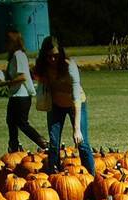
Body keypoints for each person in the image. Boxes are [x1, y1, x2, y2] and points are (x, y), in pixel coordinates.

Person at [35, 37, 94, 174]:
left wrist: (76, 129)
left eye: (55, 56)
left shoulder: (69, 66)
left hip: (76, 104)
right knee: (54, 143)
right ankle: (53, 173)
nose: (52, 60)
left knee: (82, 143)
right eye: (49, 56)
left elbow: (76, 98)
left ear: (60, 54)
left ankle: (92, 177)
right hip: (56, 106)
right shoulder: (44, 68)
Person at [4, 30, 46, 154]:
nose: (5, 44)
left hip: (22, 95)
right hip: (15, 94)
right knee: (11, 121)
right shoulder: (13, 56)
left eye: (7, 41)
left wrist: (5, 83)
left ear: (14, 42)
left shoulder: (19, 55)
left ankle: (44, 143)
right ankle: (14, 147)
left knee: (22, 123)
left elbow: (23, 77)